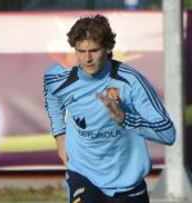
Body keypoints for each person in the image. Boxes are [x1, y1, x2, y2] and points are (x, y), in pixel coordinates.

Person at [43, 14, 176, 203]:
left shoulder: (131, 81)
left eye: (94, 50)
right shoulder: (59, 79)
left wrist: (125, 119)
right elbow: (52, 96)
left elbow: (167, 134)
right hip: (83, 174)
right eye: (81, 51)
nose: (87, 58)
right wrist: (59, 135)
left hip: (127, 183)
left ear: (107, 48)